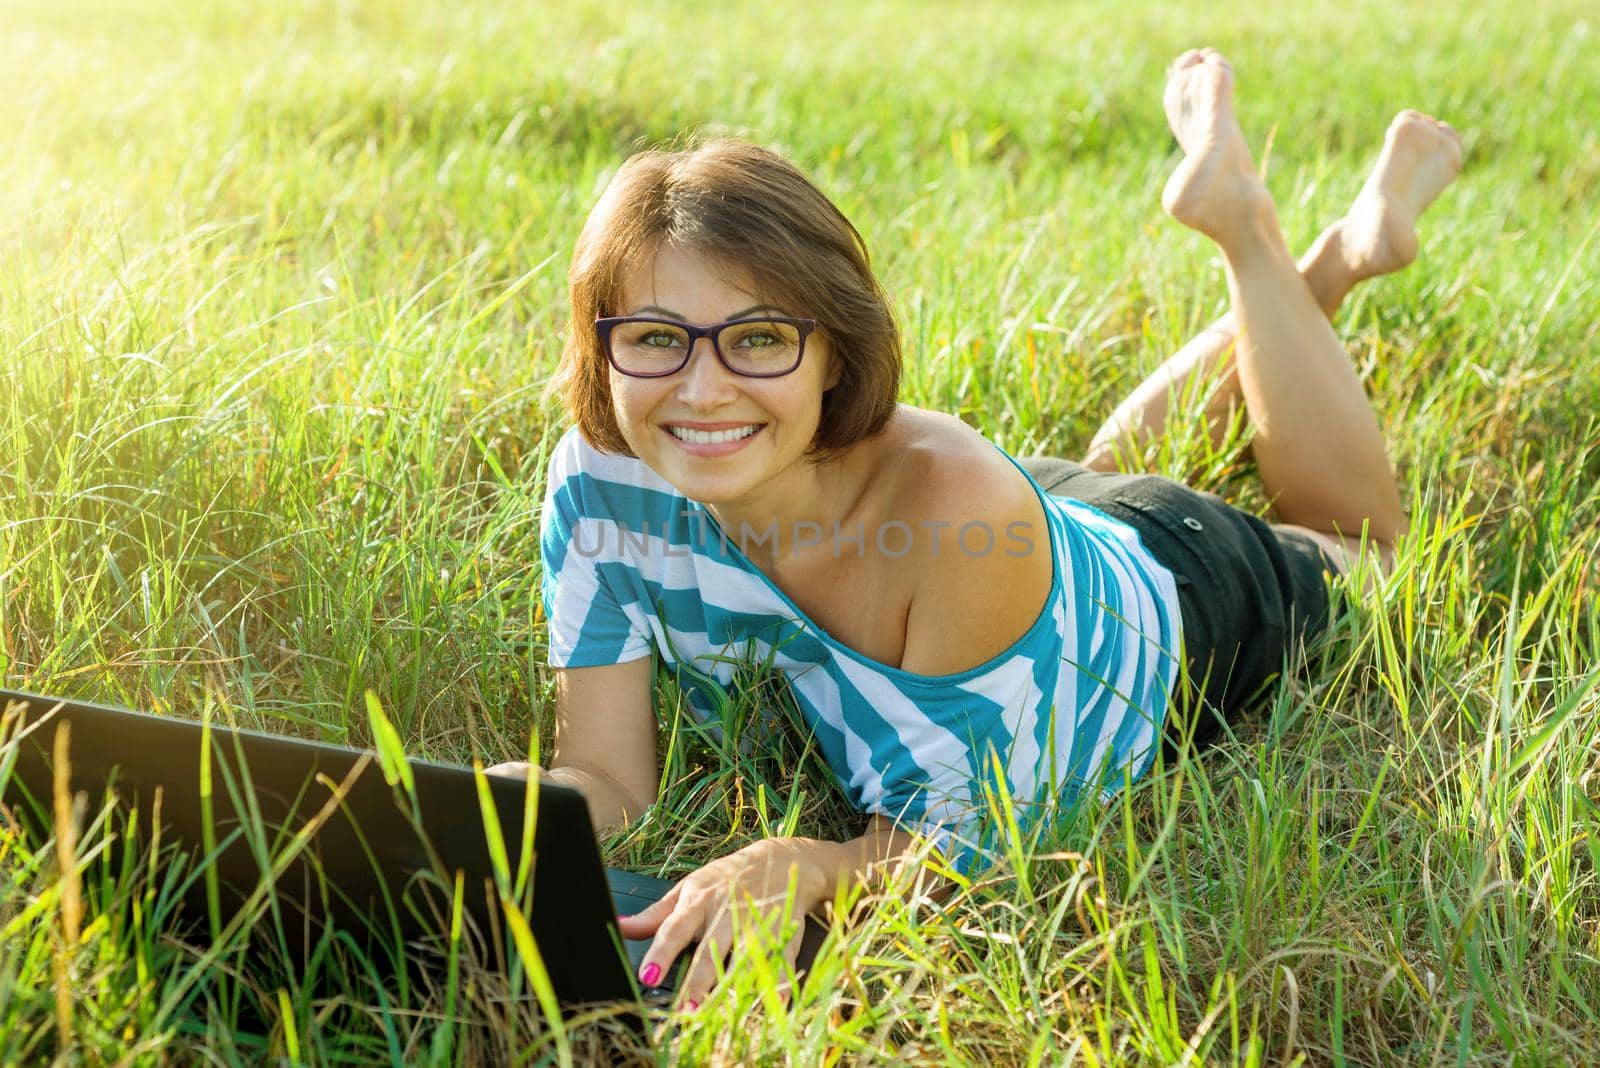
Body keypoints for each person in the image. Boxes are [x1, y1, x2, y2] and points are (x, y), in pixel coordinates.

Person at [489, 49, 1462, 1008]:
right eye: (657, 339)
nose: (701, 391)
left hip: (1162, 588)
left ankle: (1249, 234)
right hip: (1036, 536)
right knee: (1110, 462)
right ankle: (1328, 266)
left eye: (758, 339)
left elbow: (982, 849)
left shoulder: (957, 519)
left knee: (1365, 547)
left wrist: (817, 864)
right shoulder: (602, 482)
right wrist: (502, 804)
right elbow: (611, 777)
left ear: (834, 353)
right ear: (601, 349)